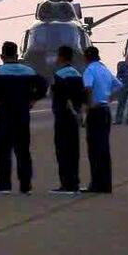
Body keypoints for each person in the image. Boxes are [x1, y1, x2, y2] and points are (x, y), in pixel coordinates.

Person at [0, 40, 47, 195]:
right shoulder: (29, 71)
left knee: (2, 150)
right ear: (17, 55)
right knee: (23, 151)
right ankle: (25, 185)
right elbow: (43, 86)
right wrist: (32, 100)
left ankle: (4, 184)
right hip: (22, 115)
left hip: (4, 114)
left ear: (2, 56)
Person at [50, 46, 87, 194]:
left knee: (63, 150)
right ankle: (74, 182)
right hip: (75, 117)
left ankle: (66, 184)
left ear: (61, 57)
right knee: (74, 150)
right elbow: (82, 97)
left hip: (63, 117)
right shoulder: (77, 74)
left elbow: (59, 96)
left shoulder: (59, 75)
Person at [81, 46, 117, 194]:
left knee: (94, 149)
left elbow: (88, 88)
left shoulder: (90, 70)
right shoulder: (105, 69)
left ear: (87, 57)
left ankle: (95, 184)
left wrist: (89, 106)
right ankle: (105, 185)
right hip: (105, 110)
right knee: (104, 149)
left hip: (95, 112)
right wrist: (108, 99)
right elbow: (119, 86)